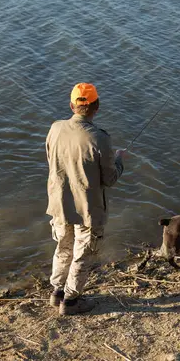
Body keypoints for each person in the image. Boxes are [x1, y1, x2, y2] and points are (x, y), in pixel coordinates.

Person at [45, 82, 125, 315]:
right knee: (82, 253)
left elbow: (51, 160)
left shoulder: (55, 128)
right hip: (88, 210)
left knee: (62, 248)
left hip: (59, 204)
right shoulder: (99, 138)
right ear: (96, 107)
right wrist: (120, 160)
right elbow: (109, 179)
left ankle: (57, 292)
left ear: (72, 105)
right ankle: (70, 302)